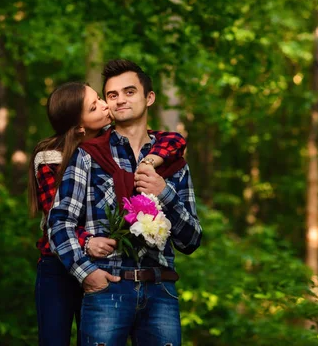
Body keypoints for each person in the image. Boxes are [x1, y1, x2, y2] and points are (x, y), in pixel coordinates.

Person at [48, 60, 203, 346]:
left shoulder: (174, 163)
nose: (120, 100)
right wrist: (87, 274)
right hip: (108, 288)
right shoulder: (89, 156)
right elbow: (58, 222)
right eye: (112, 95)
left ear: (149, 97)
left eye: (129, 92)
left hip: (161, 289)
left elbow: (191, 239)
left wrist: (164, 192)